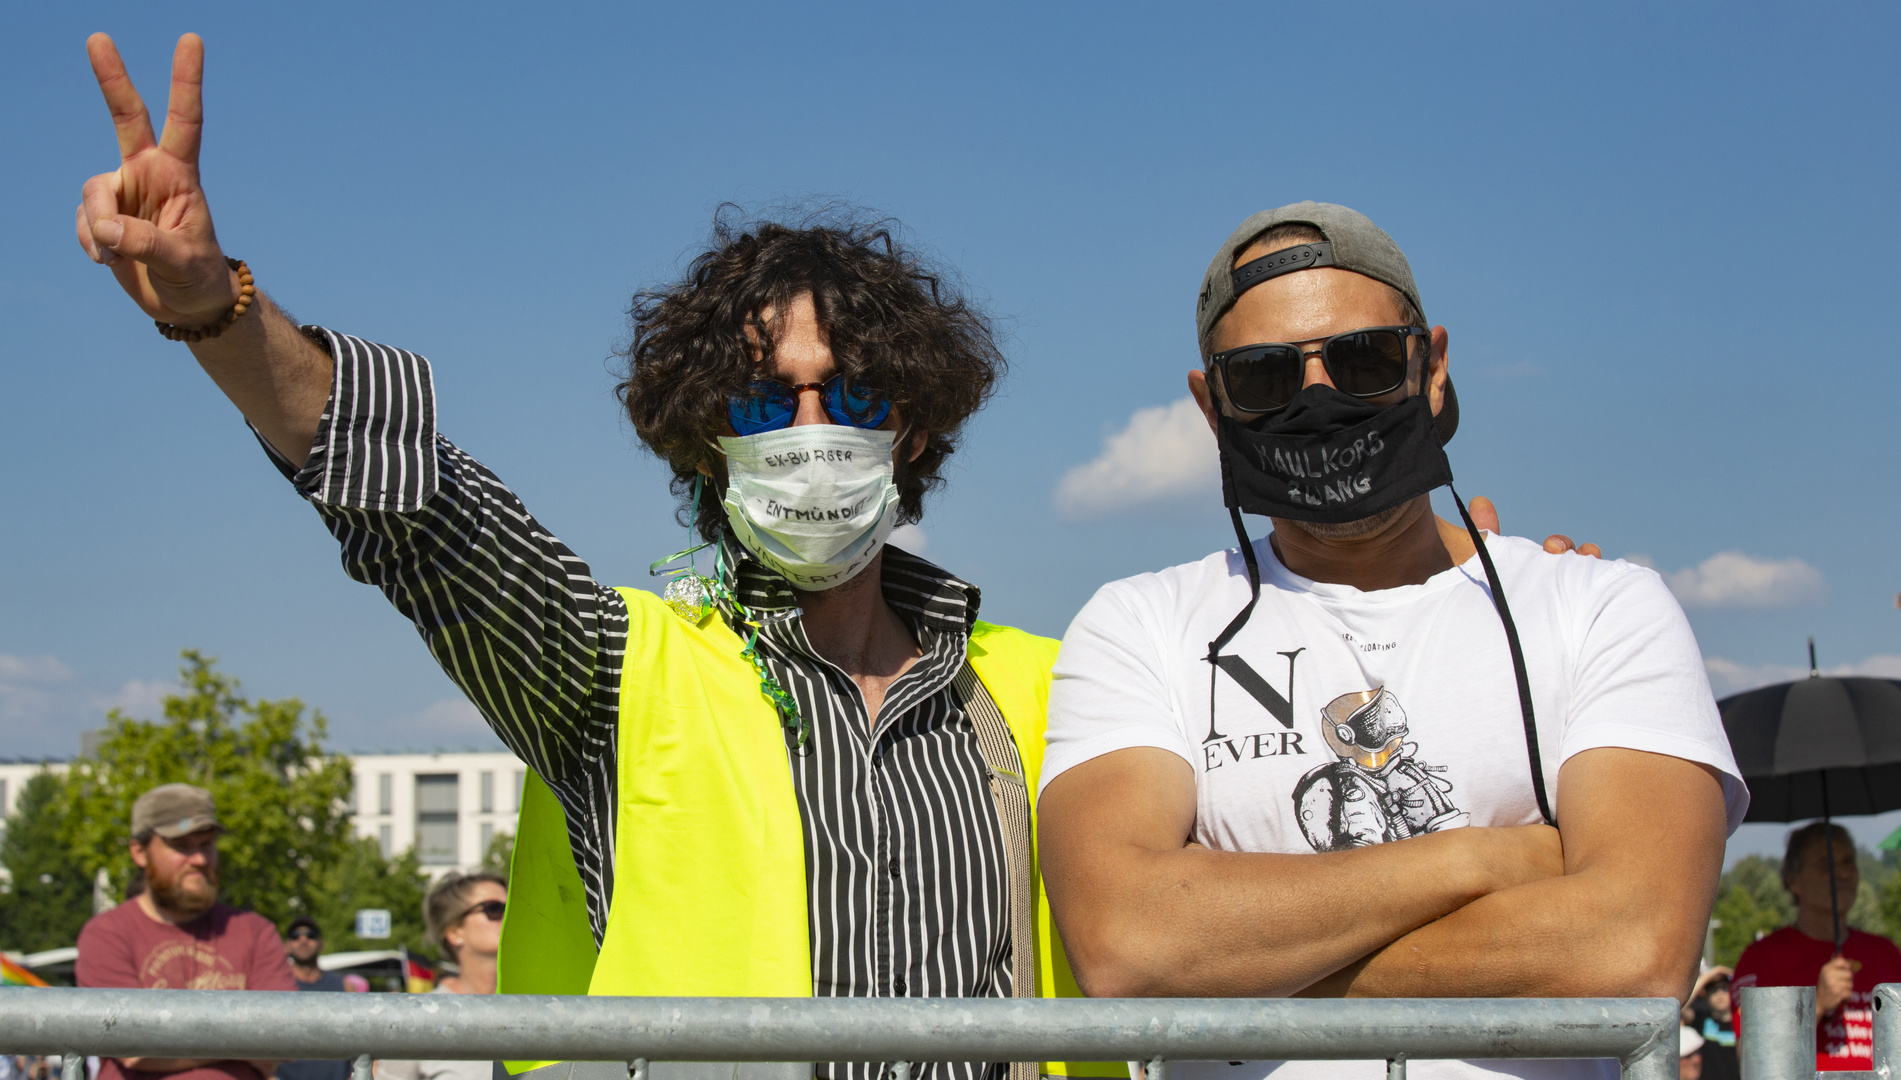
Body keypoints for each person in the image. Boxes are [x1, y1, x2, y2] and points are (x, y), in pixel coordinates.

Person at [73, 36, 1586, 1080]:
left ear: (911, 422)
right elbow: (416, 508)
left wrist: (1440, 602)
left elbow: (1310, 852)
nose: (810, 429)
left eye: (848, 394)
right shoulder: (613, 673)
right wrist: (219, 314)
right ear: (698, 435)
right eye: (762, 398)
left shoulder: (1076, 687)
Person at [1037, 202, 1747, 1080]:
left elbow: (1630, 951)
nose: (1319, 398)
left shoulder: (1598, 607)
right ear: (1209, 405)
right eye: (1262, 378)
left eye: (1363, 360)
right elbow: (1126, 944)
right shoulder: (1141, 622)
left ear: (1433, 366)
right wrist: (1484, 859)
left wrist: (1242, 973)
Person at [74, 783, 295, 1080]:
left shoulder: (256, 931)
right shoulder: (107, 933)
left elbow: (288, 1036)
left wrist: (171, 1042)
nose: (200, 860)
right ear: (140, 852)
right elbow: (134, 1046)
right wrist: (248, 1044)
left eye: (206, 844)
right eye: (182, 846)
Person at [1732, 822, 1901, 1072]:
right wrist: (1818, 1004)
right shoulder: (1762, 958)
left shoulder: (1885, 952)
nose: (1842, 873)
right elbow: (1749, 1056)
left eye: (1848, 861)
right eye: (1826, 865)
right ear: (1793, 881)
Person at [373, 874, 507, 1080]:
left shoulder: (546, 1004)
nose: (509, 916)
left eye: (513, 907)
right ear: (455, 932)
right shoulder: (418, 1017)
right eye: (494, 909)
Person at [278, 917, 350, 1080]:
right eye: (295, 936)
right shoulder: (275, 987)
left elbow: (364, 1037)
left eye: (310, 935)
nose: (303, 940)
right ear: (287, 945)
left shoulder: (343, 986)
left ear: (320, 943)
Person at [1683, 969, 1735, 1080]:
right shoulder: (1701, 1020)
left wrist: (1734, 975)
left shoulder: (1742, 1023)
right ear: (1706, 997)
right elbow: (1681, 1005)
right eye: (1714, 990)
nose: (1720, 994)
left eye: (1724, 989)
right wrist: (1712, 973)